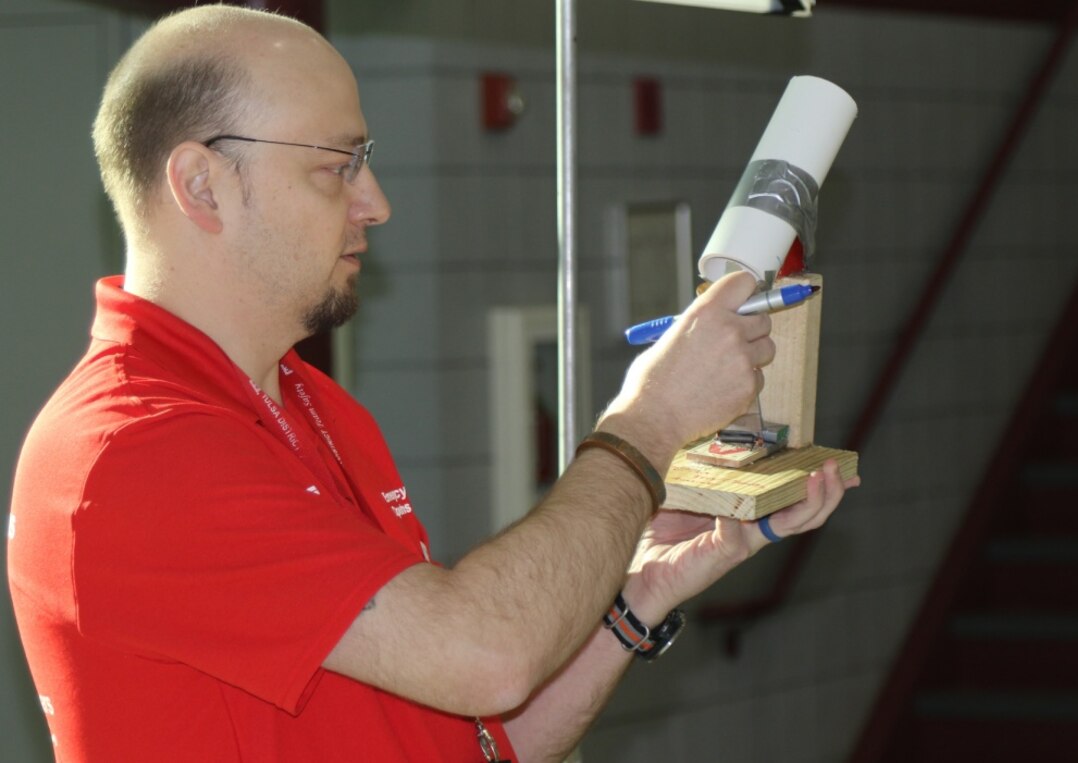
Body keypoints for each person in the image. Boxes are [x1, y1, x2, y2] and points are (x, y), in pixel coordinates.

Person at [6, 5, 859, 762]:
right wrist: (648, 421)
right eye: (335, 165)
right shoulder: (133, 452)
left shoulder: (312, 405)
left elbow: (478, 732)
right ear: (201, 185)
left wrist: (642, 589)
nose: (373, 201)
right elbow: (488, 650)